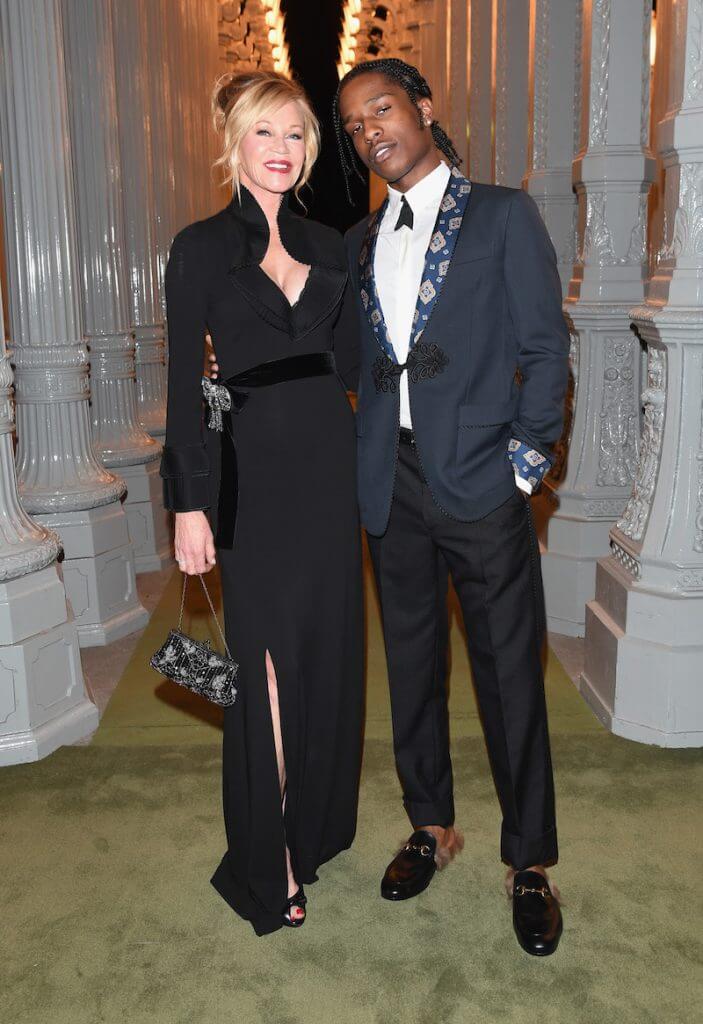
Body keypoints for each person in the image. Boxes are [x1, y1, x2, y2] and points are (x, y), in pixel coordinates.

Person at [334, 58, 569, 956]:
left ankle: (529, 861)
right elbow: (354, 364)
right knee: (411, 667)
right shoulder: (361, 241)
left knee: (510, 677)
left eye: (382, 110)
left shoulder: (502, 214)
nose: (369, 132)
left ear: (424, 109)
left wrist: (522, 462)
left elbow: (545, 348)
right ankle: (430, 826)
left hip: (480, 481)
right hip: (389, 484)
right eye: (354, 124)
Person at [160, 70, 363, 936]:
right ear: (233, 142)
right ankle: (267, 855)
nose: (281, 150)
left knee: (322, 655)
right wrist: (187, 504)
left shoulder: (334, 243)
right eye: (263, 134)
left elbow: (358, 367)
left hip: (328, 472)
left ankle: (309, 828)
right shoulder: (200, 247)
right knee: (263, 663)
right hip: (244, 479)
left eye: (294, 135)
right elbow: (178, 389)